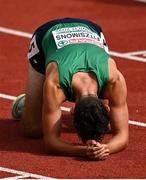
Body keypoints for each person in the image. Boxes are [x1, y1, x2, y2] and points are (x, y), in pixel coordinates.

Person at [12, 17, 129, 160]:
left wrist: (107, 148)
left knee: (108, 125)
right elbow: (51, 143)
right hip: (47, 36)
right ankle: (30, 102)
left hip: (90, 30)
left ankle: (42, 104)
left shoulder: (114, 80)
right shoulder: (55, 84)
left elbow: (123, 136)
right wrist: (82, 151)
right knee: (33, 129)